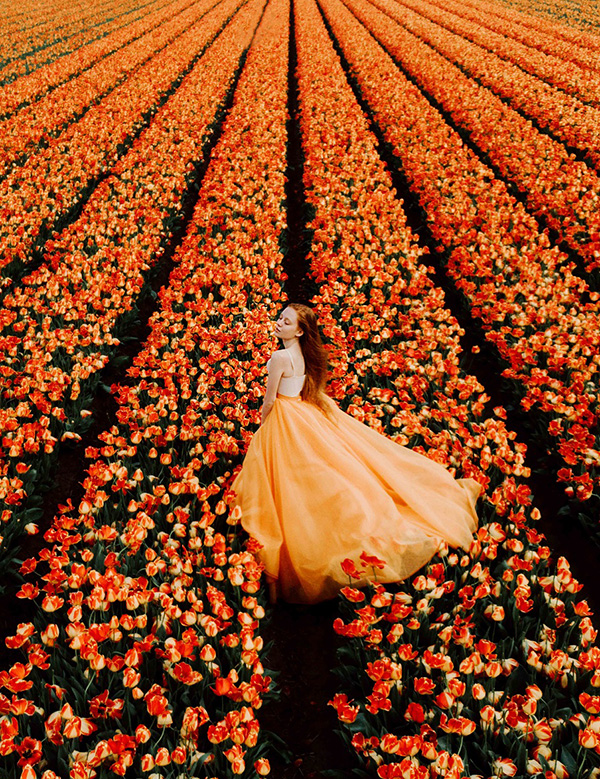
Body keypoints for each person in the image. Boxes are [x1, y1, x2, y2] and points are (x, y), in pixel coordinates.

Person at [232, 303, 480, 604]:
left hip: (285, 418)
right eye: (280, 318)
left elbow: (269, 401)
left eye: (286, 321)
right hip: (302, 414)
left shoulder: (279, 358)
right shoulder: (302, 355)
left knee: (287, 478)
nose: (279, 323)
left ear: (299, 330)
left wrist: (263, 430)